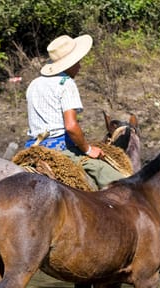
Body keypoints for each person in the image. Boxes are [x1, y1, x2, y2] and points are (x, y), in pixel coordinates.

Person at [25, 34, 124, 189]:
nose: (80, 66)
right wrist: (88, 149)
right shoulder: (66, 83)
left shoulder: (34, 83)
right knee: (120, 182)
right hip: (59, 149)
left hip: (33, 148)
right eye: (77, 62)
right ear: (68, 64)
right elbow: (71, 126)